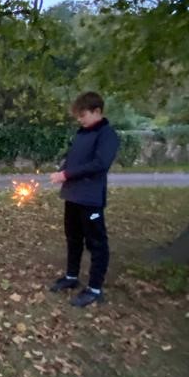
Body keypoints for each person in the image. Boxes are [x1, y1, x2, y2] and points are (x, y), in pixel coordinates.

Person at [49, 92, 120, 308]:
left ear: (97, 111)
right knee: (73, 238)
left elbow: (99, 164)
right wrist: (62, 170)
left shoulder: (107, 135)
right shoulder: (81, 133)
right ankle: (71, 276)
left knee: (96, 242)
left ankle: (95, 289)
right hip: (73, 196)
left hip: (91, 199)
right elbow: (73, 159)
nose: (80, 119)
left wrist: (67, 175)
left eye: (83, 115)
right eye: (78, 116)